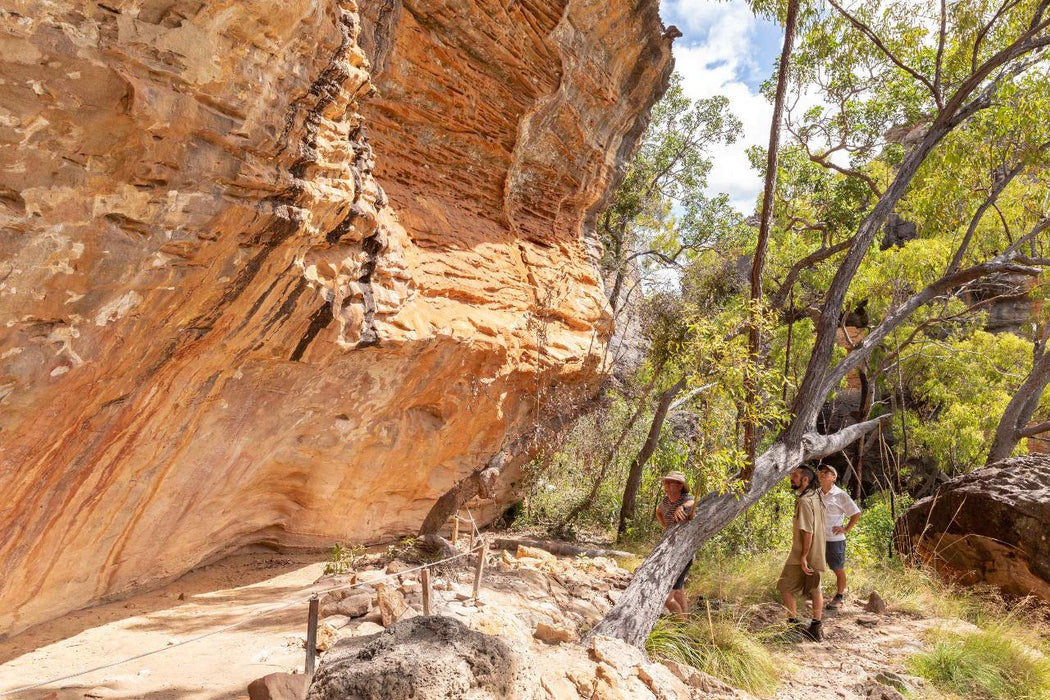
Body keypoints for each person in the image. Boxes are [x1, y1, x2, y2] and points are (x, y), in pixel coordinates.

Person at [776, 465, 827, 641]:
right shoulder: (817, 497)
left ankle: (793, 629)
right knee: (815, 589)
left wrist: (804, 556)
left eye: (795, 475)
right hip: (818, 552)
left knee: (785, 586)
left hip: (802, 555)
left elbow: (808, 531)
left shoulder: (804, 501)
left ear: (805, 479)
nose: (792, 477)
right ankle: (815, 629)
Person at [817, 465, 862, 610]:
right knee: (814, 567)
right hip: (818, 539)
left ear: (834, 477)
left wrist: (846, 529)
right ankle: (815, 595)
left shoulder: (840, 495)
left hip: (835, 540)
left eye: (826, 473)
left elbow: (856, 513)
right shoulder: (816, 494)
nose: (822, 475)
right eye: (821, 473)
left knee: (837, 568)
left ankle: (839, 596)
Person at [655, 470, 696, 617]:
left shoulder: (686, 499)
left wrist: (683, 507)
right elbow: (659, 510)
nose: (665, 485)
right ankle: (685, 623)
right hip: (670, 552)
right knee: (678, 591)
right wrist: (665, 525)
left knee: (667, 598)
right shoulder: (665, 501)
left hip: (683, 554)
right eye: (665, 482)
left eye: (669, 482)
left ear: (679, 486)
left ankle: (681, 625)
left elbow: (694, 502)